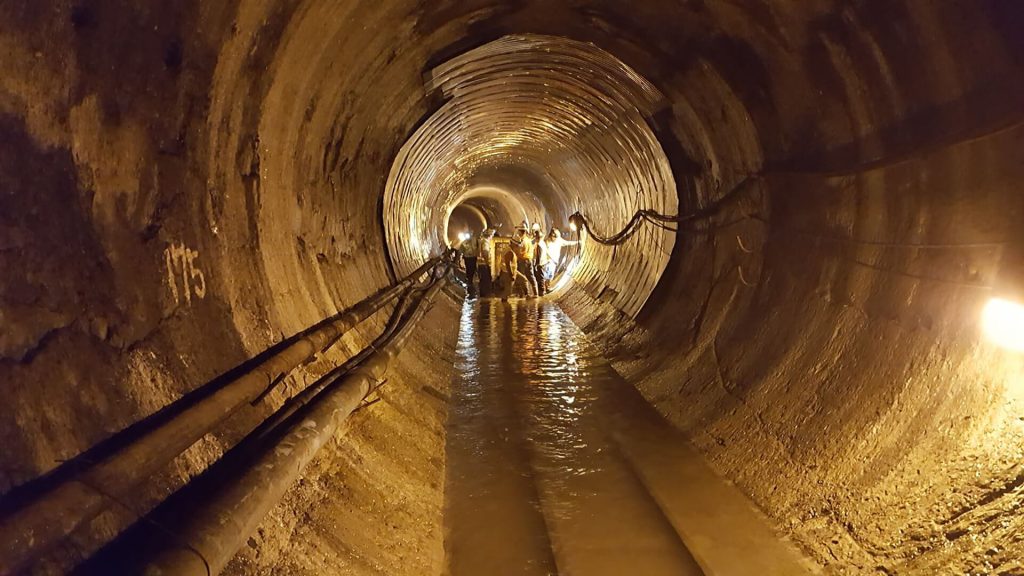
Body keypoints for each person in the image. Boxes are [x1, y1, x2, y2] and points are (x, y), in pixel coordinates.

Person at [537, 228, 579, 295]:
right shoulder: (547, 241)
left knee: (550, 275)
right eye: (553, 237)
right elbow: (545, 252)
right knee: (547, 275)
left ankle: (546, 287)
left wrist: (577, 242)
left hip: (554, 261)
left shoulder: (559, 240)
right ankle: (545, 288)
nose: (554, 238)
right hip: (549, 261)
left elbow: (567, 243)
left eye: (555, 237)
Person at [510, 225, 539, 298]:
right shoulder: (529, 240)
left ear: (521, 232)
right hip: (530, 260)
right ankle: (536, 293)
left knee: (521, 278)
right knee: (531, 276)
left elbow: (518, 252)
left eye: (519, 232)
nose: (518, 234)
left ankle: (524, 294)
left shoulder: (522, 241)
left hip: (523, 260)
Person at [458, 231, 480, 295]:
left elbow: (478, 247)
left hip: (473, 257)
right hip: (467, 258)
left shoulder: (475, 240)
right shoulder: (464, 242)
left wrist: (478, 255)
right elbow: (461, 250)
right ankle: (469, 280)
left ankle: (470, 279)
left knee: (472, 268)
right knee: (468, 268)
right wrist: (459, 258)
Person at [478, 228, 495, 296]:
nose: (492, 236)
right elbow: (485, 252)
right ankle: (485, 295)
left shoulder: (482, 241)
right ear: (489, 235)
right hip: (484, 264)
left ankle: (483, 294)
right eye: (492, 235)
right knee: (486, 280)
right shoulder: (485, 242)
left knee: (483, 280)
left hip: (481, 263)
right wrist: (488, 263)